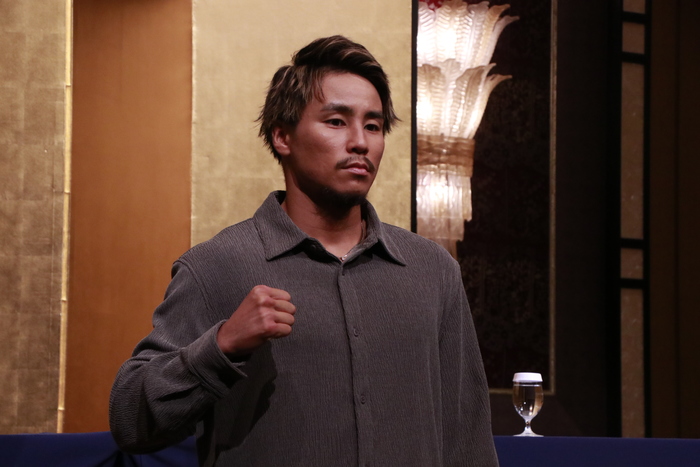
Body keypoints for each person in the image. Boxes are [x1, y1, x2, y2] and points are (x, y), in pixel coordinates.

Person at [110, 35, 499, 467]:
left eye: (373, 126)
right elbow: (130, 422)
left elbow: (468, 439)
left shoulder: (432, 270)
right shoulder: (215, 267)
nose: (360, 142)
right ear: (283, 137)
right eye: (336, 121)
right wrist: (222, 346)